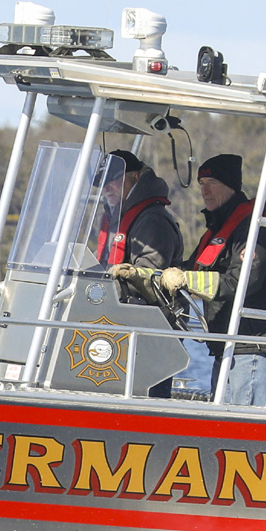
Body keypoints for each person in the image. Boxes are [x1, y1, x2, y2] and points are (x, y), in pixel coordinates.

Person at [156, 153, 266, 405]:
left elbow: (242, 282)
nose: (205, 190)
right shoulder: (219, 229)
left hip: (251, 349)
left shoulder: (254, 229)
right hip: (225, 347)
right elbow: (191, 269)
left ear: (229, 186)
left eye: (212, 183)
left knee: (243, 431)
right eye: (201, 184)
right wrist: (150, 274)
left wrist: (186, 280)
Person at [95, 149, 186, 397]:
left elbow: (148, 278)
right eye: (103, 182)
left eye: (114, 179)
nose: (107, 188)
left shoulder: (153, 220)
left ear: (135, 178)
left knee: (147, 399)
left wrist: (109, 284)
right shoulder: (116, 218)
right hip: (121, 329)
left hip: (150, 333)